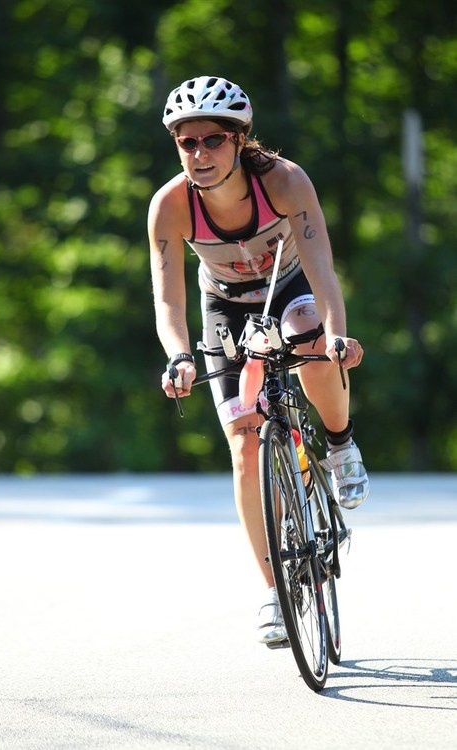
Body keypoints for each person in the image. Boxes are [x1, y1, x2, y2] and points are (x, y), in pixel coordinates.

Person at [148, 76, 369, 645]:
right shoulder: (170, 206)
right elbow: (169, 300)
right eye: (186, 142)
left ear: (240, 139)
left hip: (289, 287)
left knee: (312, 346)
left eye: (213, 140)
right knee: (246, 446)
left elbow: (322, 272)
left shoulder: (285, 182)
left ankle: (341, 443)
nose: (199, 153)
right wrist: (179, 357)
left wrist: (338, 335)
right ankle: (275, 589)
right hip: (223, 306)